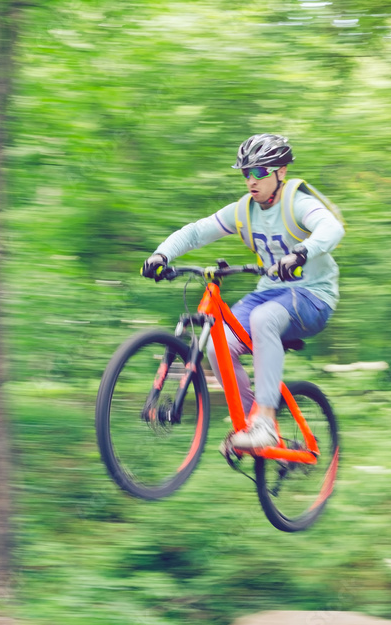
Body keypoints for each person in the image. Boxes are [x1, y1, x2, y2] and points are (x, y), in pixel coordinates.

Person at [141, 134, 344, 450]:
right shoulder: (244, 211)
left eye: (260, 172)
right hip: (270, 293)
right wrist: (161, 255)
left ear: (281, 171)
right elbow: (197, 232)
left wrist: (301, 253)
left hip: (313, 296)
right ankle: (254, 422)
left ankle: (265, 423)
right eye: (246, 173)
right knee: (217, 345)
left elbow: (332, 228)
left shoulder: (297, 202)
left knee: (264, 320)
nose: (251, 180)